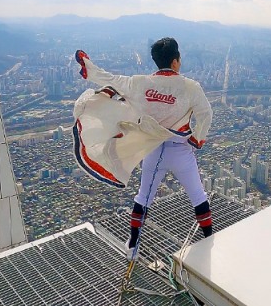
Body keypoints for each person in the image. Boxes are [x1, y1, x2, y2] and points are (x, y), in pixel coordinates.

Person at [75, 37, 213, 260]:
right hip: (180, 151)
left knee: (144, 197)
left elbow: (112, 80)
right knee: (198, 195)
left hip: (152, 149)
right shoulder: (190, 87)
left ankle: (133, 247)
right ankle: (209, 241)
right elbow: (206, 114)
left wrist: (90, 69)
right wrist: (197, 139)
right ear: (176, 61)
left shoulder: (140, 83)